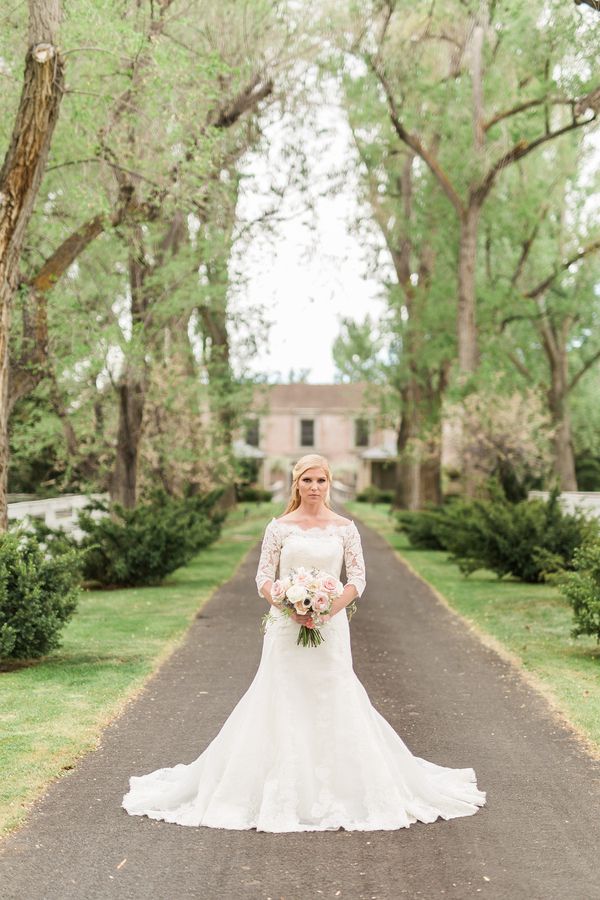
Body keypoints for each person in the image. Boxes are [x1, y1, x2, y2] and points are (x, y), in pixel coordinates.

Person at [122, 453, 485, 830]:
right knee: (281, 693)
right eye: (307, 481)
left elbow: (357, 579)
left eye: (321, 481)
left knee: (334, 691)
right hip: (285, 625)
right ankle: (277, 786)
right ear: (296, 484)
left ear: (329, 484)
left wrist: (328, 609)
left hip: (331, 626)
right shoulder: (278, 527)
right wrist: (286, 602)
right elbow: (263, 576)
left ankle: (343, 786)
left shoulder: (345, 528)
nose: (314, 487)